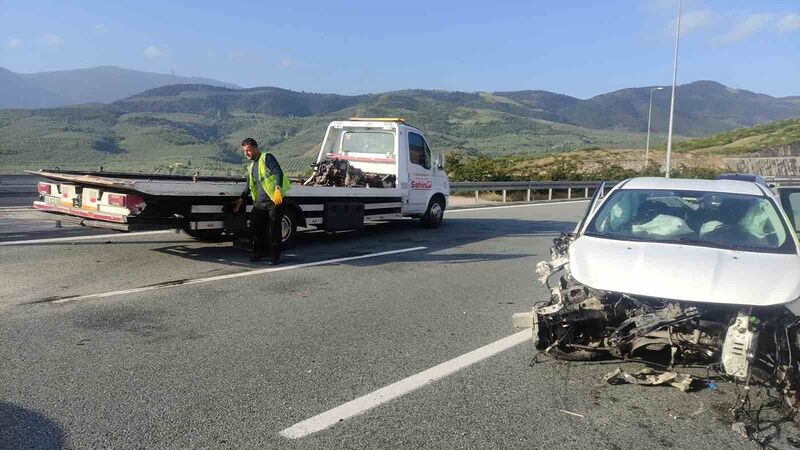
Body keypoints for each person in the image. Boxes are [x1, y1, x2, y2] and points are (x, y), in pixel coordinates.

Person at [232, 138, 291, 264]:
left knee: (274, 229)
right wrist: (241, 199)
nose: (246, 153)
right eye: (244, 151)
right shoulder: (251, 166)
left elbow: (278, 172)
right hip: (259, 203)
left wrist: (277, 189)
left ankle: (274, 256)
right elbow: (248, 186)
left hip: (274, 201)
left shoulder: (266, 158)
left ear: (256, 148)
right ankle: (260, 253)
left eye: (248, 150)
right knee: (256, 228)